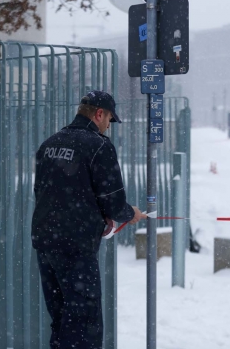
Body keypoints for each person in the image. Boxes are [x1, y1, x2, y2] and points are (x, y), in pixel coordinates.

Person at [31, 90, 147, 349]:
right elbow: (114, 203)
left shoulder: (49, 144)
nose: (108, 126)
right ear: (99, 114)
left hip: (45, 243)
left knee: (60, 319)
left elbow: (42, 192)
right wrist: (132, 213)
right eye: (109, 120)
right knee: (84, 323)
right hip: (76, 246)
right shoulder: (99, 146)